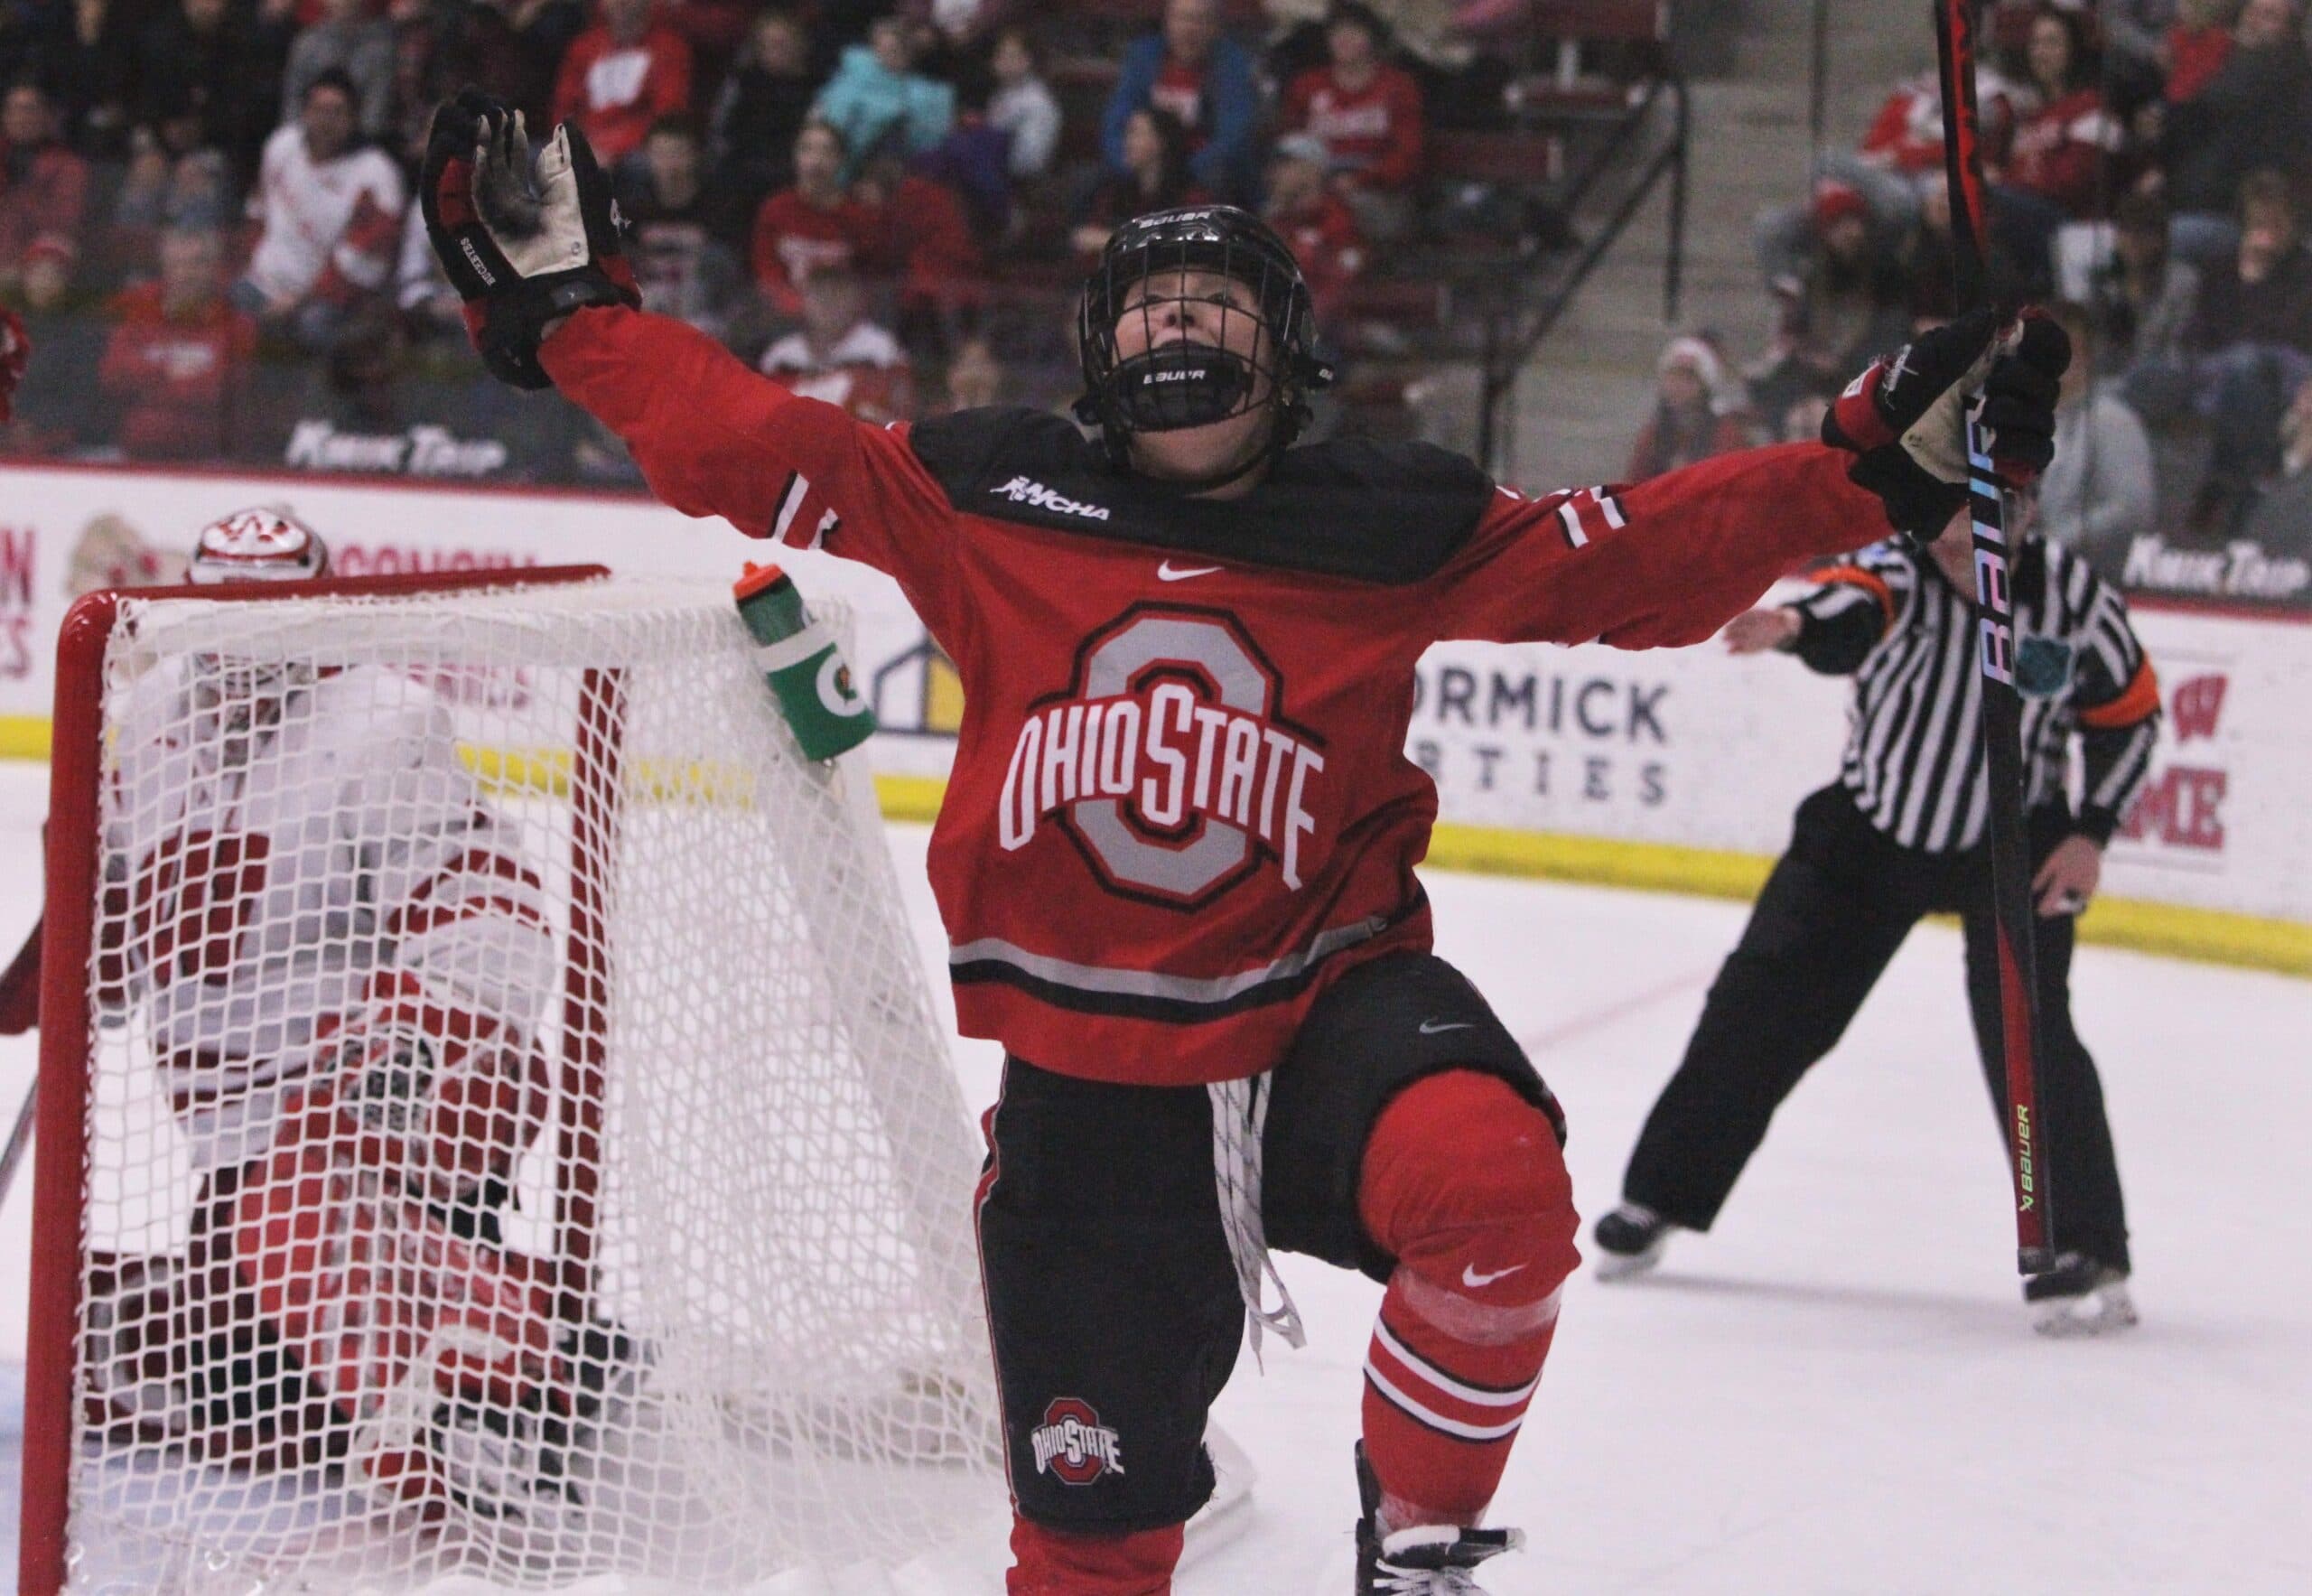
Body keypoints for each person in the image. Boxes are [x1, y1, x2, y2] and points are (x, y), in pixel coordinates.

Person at [417, 92, 2066, 1593]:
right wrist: (577, 322)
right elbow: (746, 440)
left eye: (1215, 300)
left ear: (1284, 348)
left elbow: (1626, 557)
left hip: (1317, 1015)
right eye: (1149, 299)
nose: (1179, 319)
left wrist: (1862, 472)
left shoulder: (1387, 519)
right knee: (1091, 1554)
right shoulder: (983, 491)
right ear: (1095, 346)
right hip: (1091, 1098)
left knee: (1495, 1192)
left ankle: (1416, 1549)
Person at [86, 507, 607, 1529]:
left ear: (323, 613)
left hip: (373, 1126)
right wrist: (65, 952)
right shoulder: (147, 717)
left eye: (272, 616)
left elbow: (492, 921)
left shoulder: (384, 723)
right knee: (238, 1394)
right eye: (222, 612)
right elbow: (116, 895)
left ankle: (500, 1382)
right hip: (233, 1154)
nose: (244, 643)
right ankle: (522, 1336)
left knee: (271, 1398)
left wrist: (398, 1048)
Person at [1589, 490, 2161, 1337]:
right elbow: (1849, 604)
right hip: (1875, 825)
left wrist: (2090, 832)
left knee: (2031, 1039)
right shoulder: (1901, 569)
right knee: (1762, 1005)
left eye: (1987, 514)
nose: (1960, 537)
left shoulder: (2076, 603)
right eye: (1950, 515)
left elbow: (2129, 718)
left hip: (2014, 840)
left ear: (2033, 509)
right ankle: (1658, 1196)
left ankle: (2078, 1244)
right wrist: (1792, 628)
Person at [238, 70, 406, 353]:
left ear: (354, 118)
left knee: (314, 327)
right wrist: (251, 267)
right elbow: (257, 213)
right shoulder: (281, 146)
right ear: (304, 113)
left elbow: (362, 263)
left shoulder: (377, 175)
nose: (326, 121)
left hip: (331, 300)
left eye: (337, 112)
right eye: (319, 110)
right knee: (225, 307)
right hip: (263, 285)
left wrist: (299, 300)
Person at [99, 225, 258, 460]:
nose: (185, 274)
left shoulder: (236, 322)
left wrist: (149, 383)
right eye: (177, 264)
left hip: (209, 459)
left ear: (214, 268)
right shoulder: (137, 309)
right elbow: (112, 375)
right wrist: (168, 371)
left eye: (196, 264)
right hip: (136, 456)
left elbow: (219, 391)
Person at [1280, 1, 1426, 241]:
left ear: (1372, 39)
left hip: (1376, 191)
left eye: (1354, 31)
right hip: (1314, 184)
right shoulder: (1308, 85)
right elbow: (1290, 142)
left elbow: (1408, 154)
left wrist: (1361, 179)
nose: (1343, 39)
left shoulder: (1398, 87)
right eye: (1337, 32)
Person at [2037, 300, 2158, 576]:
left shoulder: (2110, 419)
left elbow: (2132, 508)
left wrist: (2055, 541)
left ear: (2085, 357)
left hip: (2088, 572)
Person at [1102, 0, 1260, 202]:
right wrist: (1124, 160)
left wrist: (1179, 171)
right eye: (1182, 19)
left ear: (1215, 27)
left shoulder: (1232, 66)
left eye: (1199, 20)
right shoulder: (1143, 57)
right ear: (1167, 22)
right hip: (1144, 161)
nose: (1189, 29)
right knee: (1091, 182)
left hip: (1200, 167)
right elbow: (1118, 118)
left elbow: (1233, 134)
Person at [749, 119, 874, 317]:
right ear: (795, 157)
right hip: (783, 317)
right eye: (807, 150)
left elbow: (868, 276)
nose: (816, 161)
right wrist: (795, 307)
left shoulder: (859, 215)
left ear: (840, 159)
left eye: (827, 152)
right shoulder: (776, 209)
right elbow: (767, 272)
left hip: (843, 317)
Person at [551, 0, 694, 168]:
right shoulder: (583, 48)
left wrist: (614, 148)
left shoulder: (670, 49)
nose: (621, 3)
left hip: (638, 150)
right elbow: (564, 110)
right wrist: (581, 148)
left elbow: (666, 116)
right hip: (585, 146)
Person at [1626, 334, 1758, 480]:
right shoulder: (1653, 435)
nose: (1678, 386)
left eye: (1688, 379)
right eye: (1673, 377)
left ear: (1705, 387)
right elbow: (1635, 485)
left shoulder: (1727, 434)